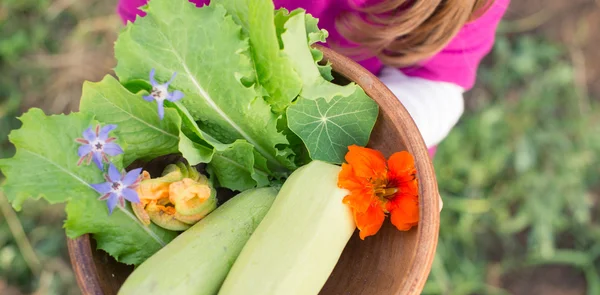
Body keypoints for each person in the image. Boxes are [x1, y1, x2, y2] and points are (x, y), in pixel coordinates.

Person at [117, 0, 509, 159]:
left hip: (362, 144)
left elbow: (434, 84)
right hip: (217, 107)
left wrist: (363, 145)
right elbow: (161, 28)